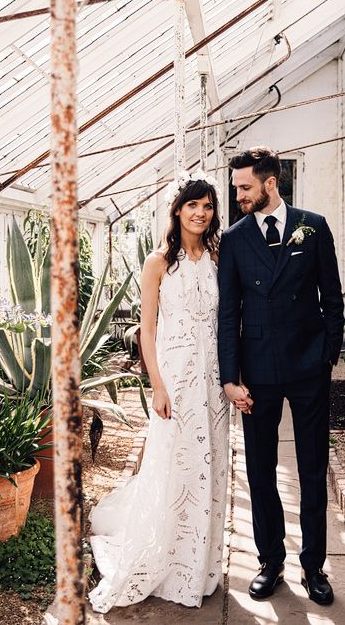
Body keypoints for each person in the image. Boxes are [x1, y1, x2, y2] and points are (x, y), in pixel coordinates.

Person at [89, 173, 244, 613]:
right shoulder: (158, 262)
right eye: (193, 204)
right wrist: (157, 385)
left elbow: (227, 321)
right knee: (176, 467)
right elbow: (148, 330)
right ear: (177, 210)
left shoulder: (218, 257)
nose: (200, 212)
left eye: (208, 206)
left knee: (209, 467)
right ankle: (172, 564)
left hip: (212, 380)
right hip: (174, 379)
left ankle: (203, 565)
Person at [217, 146, 344, 605]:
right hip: (258, 374)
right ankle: (270, 562)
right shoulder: (233, 239)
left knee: (312, 471)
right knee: (260, 471)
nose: (238, 196)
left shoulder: (313, 226)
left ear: (271, 183)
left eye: (245, 187)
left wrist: (327, 355)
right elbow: (228, 313)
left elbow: (332, 295)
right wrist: (230, 377)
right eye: (236, 189)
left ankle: (313, 567)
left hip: (308, 368)